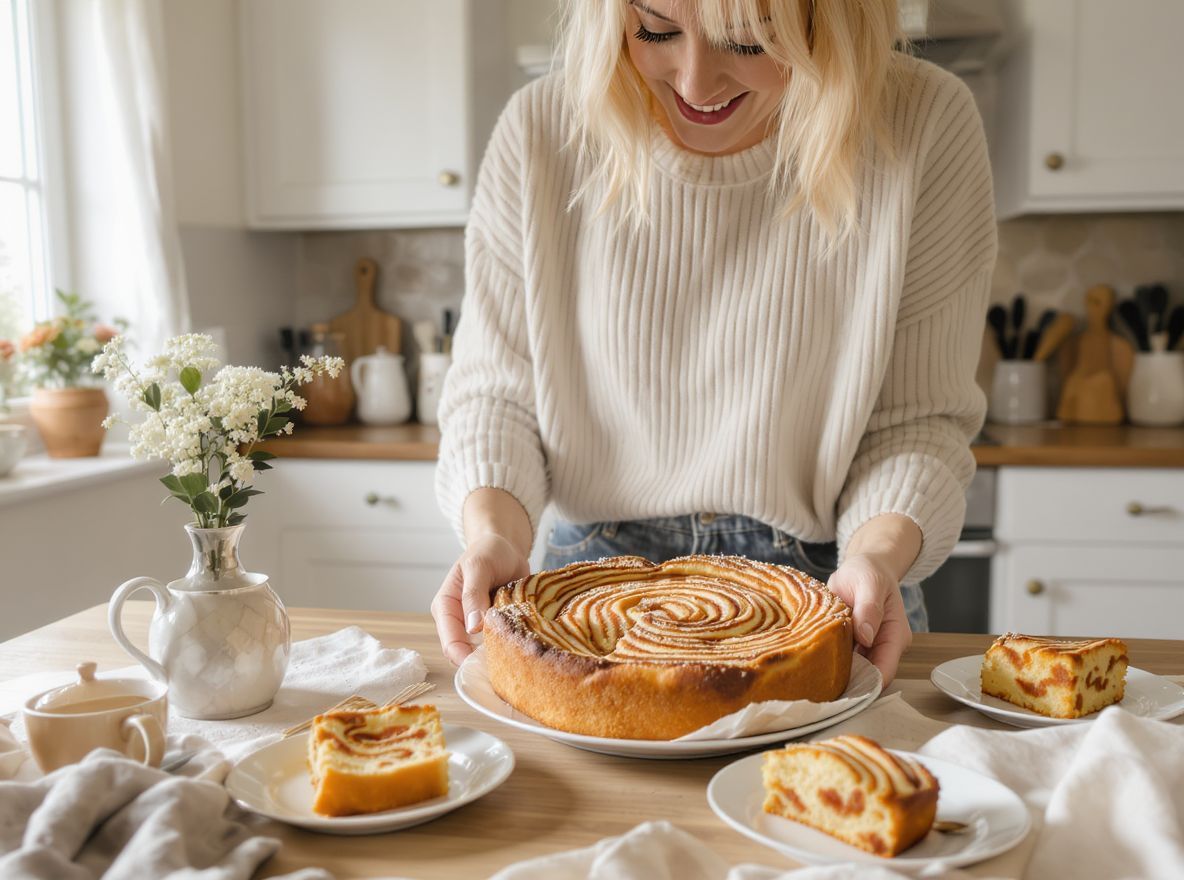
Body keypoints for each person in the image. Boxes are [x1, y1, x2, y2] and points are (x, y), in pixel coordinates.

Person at [431, 0, 996, 685]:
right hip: (590, 589)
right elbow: (498, 397)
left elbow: (916, 423)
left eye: (752, 41)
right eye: (656, 31)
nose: (696, 84)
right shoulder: (539, 131)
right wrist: (494, 534)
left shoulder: (923, 123)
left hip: (831, 581)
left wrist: (876, 557)